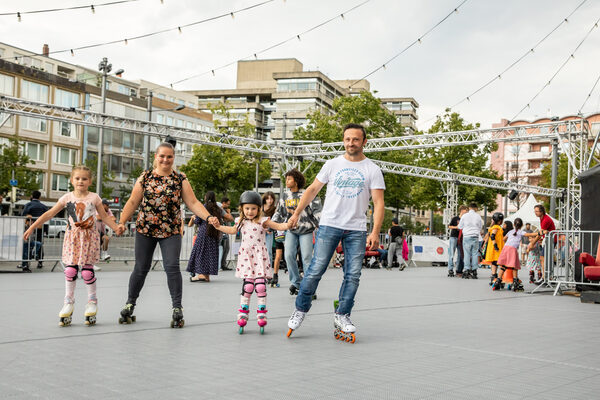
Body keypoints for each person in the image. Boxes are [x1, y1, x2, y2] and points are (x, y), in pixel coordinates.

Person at [286, 123, 385, 342]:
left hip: (357, 229)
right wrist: (296, 214)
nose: (351, 143)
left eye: (356, 139)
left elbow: (378, 203)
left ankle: (342, 315)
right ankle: (301, 309)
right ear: (344, 141)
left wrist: (375, 231)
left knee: (353, 275)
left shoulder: (372, 169)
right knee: (315, 269)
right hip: (330, 225)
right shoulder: (332, 164)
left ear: (364, 142)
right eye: (348, 139)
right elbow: (312, 190)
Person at [116, 142, 218, 328]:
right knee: (141, 268)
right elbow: (132, 201)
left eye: (169, 156)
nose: (165, 159)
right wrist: (121, 222)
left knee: (171, 266)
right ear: (156, 157)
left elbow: (193, 202)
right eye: (162, 156)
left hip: (170, 230)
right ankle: (130, 304)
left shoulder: (180, 179)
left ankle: (177, 308)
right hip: (145, 229)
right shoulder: (145, 177)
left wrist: (209, 217)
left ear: (173, 158)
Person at [23, 166, 120, 326]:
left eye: (84, 179)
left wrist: (117, 228)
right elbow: (49, 213)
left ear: (90, 181)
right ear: (72, 180)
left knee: (87, 272)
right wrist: (32, 226)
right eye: (77, 178)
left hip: (89, 239)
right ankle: (68, 301)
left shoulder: (94, 198)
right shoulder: (67, 198)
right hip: (73, 239)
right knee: (70, 270)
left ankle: (92, 301)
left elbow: (104, 217)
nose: (80, 181)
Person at [211, 191, 290, 334]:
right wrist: (218, 227)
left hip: (260, 257)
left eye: (253, 208)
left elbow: (278, 226)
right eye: (247, 208)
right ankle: (243, 313)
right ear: (242, 209)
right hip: (246, 258)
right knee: (248, 286)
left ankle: (261, 313)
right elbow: (231, 230)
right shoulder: (240, 222)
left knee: (260, 286)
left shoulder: (263, 220)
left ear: (259, 209)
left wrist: (288, 225)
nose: (250, 211)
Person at [272, 168, 322, 296]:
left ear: (296, 180)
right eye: (286, 178)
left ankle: (310, 287)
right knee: (288, 255)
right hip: (291, 230)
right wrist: (270, 224)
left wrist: (320, 225)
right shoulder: (285, 195)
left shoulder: (308, 193)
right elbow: (279, 212)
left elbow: (317, 211)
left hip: (306, 230)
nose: (286, 181)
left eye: (289, 178)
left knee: (306, 258)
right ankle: (297, 282)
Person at [186, 191, 223, 282]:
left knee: (200, 252)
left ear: (206, 197)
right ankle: (207, 275)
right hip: (214, 233)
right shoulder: (218, 208)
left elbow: (198, 221)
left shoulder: (203, 207)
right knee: (210, 254)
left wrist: (194, 218)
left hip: (203, 232)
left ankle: (201, 275)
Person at [21, 190, 48, 270]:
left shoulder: (28, 205)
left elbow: (23, 215)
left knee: (28, 245)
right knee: (39, 244)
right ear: (39, 197)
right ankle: (40, 262)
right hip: (40, 228)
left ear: (32, 196)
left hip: (29, 228)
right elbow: (47, 217)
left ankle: (26, 262)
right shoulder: (43, 206)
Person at [457, 203, 483, 279]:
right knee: (475, 253)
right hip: (475, 236)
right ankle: (474, 270)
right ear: (476, 208)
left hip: (467, 236)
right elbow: (480, 226)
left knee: (467, 253)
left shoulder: (464, 216)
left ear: (469, 208)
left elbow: (460, 226)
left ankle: (466, 270)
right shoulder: (478, 216)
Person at [534, 204, 556, 282]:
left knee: (545, 259)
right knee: (543, 258)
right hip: (547, 239)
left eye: (537, 211)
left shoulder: (546, 219)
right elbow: (541, 232)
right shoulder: (542, 218)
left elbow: (540, 233)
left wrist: (532, 243)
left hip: (551, 240)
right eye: (535, 211)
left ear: (542, 211)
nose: (535, 213)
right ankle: (545, 276)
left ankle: (546, 277)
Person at [482, 212, 504, 282]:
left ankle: (494, 275)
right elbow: (492, 236)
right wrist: (495, 245)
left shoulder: (494, 227)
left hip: (495, 247)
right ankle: (494, 275)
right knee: (496, 261)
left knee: (495, 262)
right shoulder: (496, 227)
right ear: (500, 221)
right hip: (496, 248)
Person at [262, 192, 278, 285]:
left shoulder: (274, 209)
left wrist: (270, 228)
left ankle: (268, 274)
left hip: (269, 232)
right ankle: (261, 274)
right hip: (260, 232)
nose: (270, 201)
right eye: (268, 198)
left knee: (268, 252)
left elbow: (275, 220)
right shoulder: (260, 208)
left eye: (271, 199)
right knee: (260, 252)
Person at [447, 205, 468, 277]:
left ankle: (459, 270)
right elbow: (449, 226)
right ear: (462, 210)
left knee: (460, 254)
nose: (467, 212)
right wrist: (456, 227)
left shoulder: (466, 219)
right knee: (451, 254)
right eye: (466, 210)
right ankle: (450, 269)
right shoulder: (455, 218)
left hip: (461, 238)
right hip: (454, 237)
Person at [218, 196, 234, 271]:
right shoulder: (220, 209)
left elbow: (229, 221)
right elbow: (229, 218)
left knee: (226, 248)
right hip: (222, 231)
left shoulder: (223, 210)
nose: (228, 206)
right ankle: (220, 264)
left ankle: (223, 264)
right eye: (227, 204)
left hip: (226, 231)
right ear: (223, 203)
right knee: (222, 248)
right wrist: (229, 213)